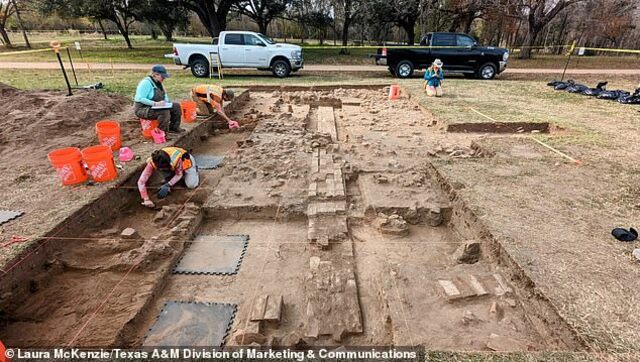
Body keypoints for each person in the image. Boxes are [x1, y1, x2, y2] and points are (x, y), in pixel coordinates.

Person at [134, 65, 184, 134]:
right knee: (164, 112)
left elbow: (164, 94)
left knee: (176, 106)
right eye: (162, 76)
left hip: (155, 106)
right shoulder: (145, 83)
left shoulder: (158, 83)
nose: (164, 78)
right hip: (142, 108)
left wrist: (166, 102)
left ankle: (174, 128)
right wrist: (155, 103)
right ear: (155, 75)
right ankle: (162, 133)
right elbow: (141, 98)